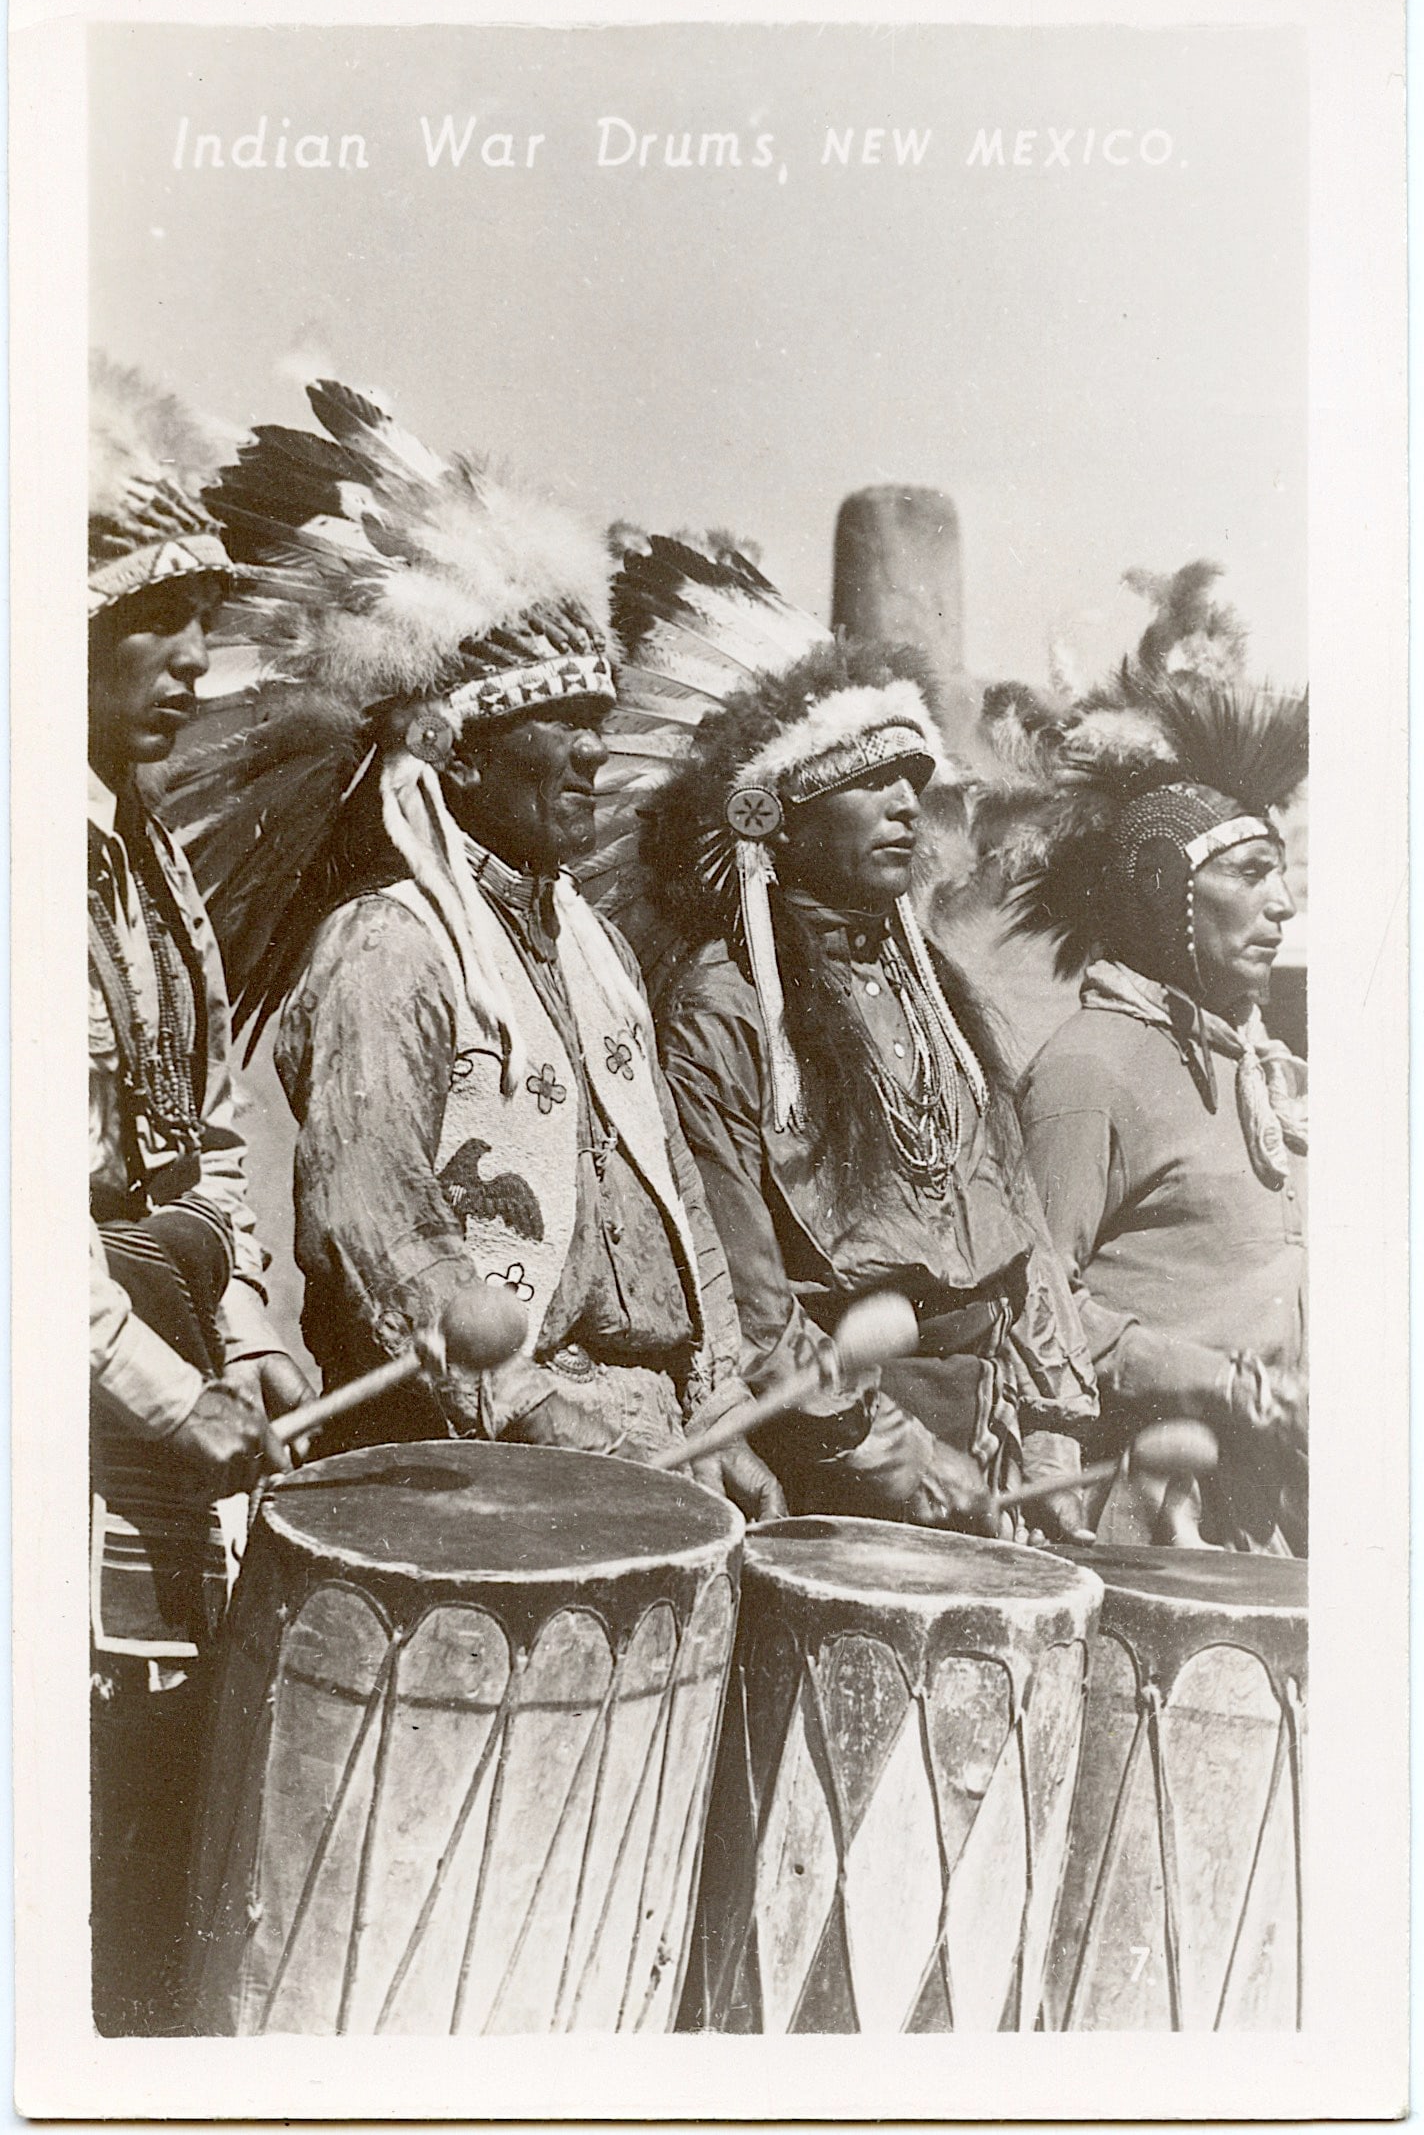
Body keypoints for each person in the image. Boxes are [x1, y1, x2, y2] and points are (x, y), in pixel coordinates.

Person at [176, 380, 781, 1517]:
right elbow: (369, 1216)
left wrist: (715, 1412)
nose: (593, 759)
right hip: (470, 1464)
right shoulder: (388, 943)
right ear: (459, 762)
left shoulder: (591, 942)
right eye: (561, 730)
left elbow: (672, 1186)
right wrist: (535, 1407)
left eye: (603, 730)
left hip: (640, 1446)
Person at [602, 538, 1098, 1531]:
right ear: (777, 817)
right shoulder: (727, 1006)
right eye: (866, 779)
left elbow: (1019, 1233)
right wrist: (891, 1452)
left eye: (914, 776)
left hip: (984, 1430)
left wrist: (1050, 1421)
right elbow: (745, 1293)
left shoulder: (935, 994)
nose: (906, 804)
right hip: (840, 1452)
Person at [87, 356, 313, 2034]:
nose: (189, 667)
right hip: (82, 1404)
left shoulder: (145, 844)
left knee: (166, 1773)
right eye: (149, 636)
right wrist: (172, 1397)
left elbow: (214, 1125)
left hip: (165, 1389)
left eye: (198, 636)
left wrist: (246, 1328)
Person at [987, 578, 1308, 1551]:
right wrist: (1214, 1379)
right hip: (1134, 1510)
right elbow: (1030, 1313)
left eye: (1280, 873)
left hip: (1263, 1504)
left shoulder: (1266, 1067)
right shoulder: (1092, 1069)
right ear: (1169, 893)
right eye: (1249, 875)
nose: (1283, 904)